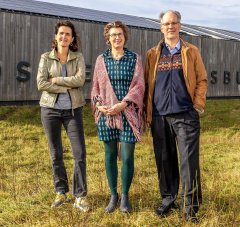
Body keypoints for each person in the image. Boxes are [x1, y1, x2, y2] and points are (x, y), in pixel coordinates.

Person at [144, 10, 208, 222]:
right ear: (160, 27)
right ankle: (168, 199)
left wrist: (197, 105)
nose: (170, 26)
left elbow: (202, 79)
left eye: (174, 23)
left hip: (185, 115)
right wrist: (148, 113)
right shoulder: (153, 54)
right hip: (160, 116)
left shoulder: (191, 51)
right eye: (166, 23)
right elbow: (147, 85)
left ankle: (190, 207)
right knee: (165, 161)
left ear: (179, 25)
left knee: (188, 163)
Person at [37, 20, 91, 212]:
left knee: (79, 153)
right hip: (49, 110)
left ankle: (80, 195)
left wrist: (58, 80)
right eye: (61, 33)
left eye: (68, 34)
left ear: (72, 38)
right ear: (56, 36)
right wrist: (66, 86)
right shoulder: (46, 57)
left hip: (73, 110)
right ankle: (61, 191)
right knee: (56, 153)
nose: (64, 36)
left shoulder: (78, 57)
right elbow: (42, 83)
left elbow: (80, 80)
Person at [91, 21, 145, 213]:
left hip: (127, 112)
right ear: (108, 38)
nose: (117, 37)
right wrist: (99, 105)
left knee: (128, 156)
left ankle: (125, 196)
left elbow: (139, 85)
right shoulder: (101, 60)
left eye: (120, 34)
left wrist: (123, 104)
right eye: (113, 34)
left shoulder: (133, 58)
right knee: (110, 155)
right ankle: (113, 195)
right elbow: (96, 87)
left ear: (125, 36)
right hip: (107, 115)